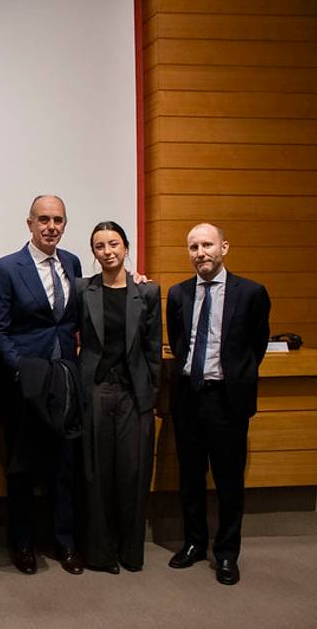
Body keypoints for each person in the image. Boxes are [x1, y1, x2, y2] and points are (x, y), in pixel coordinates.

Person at [166, 223, 270, 586]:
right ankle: (194, 543)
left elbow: (257, 346)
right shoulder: (178, 294)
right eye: (193, 247)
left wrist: (234, 377)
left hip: (227, 401)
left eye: (207, 245)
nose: (200, 253)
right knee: (190, 478)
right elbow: (180, 346)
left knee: (228, 482)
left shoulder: (252, 293)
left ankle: (226, 554)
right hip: (189, 397)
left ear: (224, 246)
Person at [0, 194, 84, 575]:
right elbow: (1, 329)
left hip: (66, 382)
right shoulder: (7, 268)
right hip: (27, 386)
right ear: (29, 223)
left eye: (58, 220)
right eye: (43, 219)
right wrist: (22, 372)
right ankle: (23, 543)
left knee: (65, 467)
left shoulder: (73, 263)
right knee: (23, 469)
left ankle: (65, 542)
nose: (51, 227)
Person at [75, 221, 161, 573]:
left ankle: (130, 552)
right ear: (93, 253)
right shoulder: (82, 289)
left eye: (114, 244)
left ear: (126, 247)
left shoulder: (148, 291)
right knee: (96, 475)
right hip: (95, 389)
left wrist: (151, 393)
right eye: (99, 246)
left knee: (132, 474)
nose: (107, 251)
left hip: (133, 393)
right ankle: (101, 553)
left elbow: (153, 348)